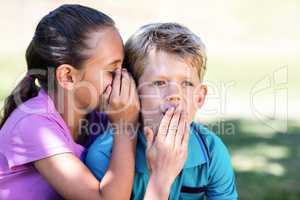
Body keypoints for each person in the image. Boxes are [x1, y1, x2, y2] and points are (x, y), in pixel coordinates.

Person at [0, 4, 140, 200]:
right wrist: (126, 127)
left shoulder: (97, 118)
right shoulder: (32, 124)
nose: (122, 78)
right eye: (111, 70)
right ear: (67, 76)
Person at [85, 23, 238, 199]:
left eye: (187, 84)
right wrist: (161, 178)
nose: (175, 95)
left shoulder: (211, 152)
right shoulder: (105, 157)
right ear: (131, 91)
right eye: (159, 83)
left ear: (200, 97)